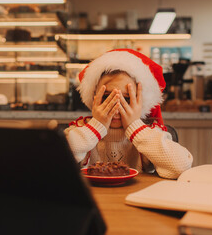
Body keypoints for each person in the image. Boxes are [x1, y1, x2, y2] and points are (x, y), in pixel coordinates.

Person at [64, 49, 193, 179]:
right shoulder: (81, 129)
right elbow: (53, 162)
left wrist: (135, 127)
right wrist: (96, 126)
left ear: (140, 101)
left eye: (126, 99)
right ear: (93, 97)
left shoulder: (149, 132)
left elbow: (181, 166)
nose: (116, 107)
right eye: (106, 97)